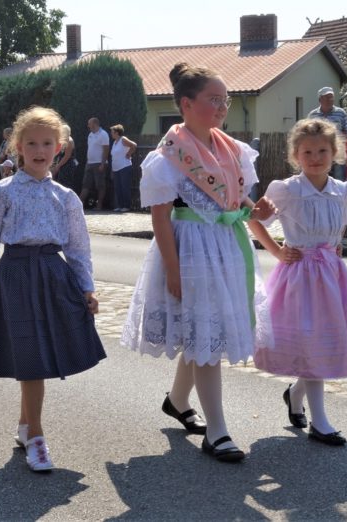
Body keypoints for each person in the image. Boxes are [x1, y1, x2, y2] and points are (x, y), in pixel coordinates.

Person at [120, 63, 275, 462]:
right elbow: (159, 217)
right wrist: (173, 269)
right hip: (190, 250)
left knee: (203, 331)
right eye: (213, 100)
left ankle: (177, 400)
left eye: (225, 100)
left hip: (225, 246)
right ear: (186, 104)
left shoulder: (231, 150)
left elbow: (237, 203)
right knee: (205, 333)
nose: (222, 107)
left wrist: (257, 211)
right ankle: (218, 431)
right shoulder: (168, 155)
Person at [0, 106, 106, 472]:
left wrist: (87, 289)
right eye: (31, 142)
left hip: (53, 277)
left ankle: (25, 427)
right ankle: (37, 436)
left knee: (39, 357)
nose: (39, 149)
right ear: (17, 146)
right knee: (31, 360)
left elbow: (78, 248)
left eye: (47, 142)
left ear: (59, 147)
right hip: (15, 276)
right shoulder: (1, 192)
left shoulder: (67, 197)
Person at [249, 118, 347, 446]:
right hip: (298, 277)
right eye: (307, 151)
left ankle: (296, 394)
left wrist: (334, 256)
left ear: (335, 153)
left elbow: (337, 235)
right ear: (296, 155)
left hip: (331, 277)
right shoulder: (286, 189)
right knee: (310, 343)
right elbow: (255, 221)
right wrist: (277, 251)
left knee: (319, 345)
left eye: (322, 150)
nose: (315, 157)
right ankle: (321, 421)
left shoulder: (343, 191)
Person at [308, 87, 347, 181]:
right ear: (320, 99)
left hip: (338, 153)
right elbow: (308, 136)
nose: (330, 100)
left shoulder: (341, 113)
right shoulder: (312, 115)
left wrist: (334, 139)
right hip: (319, 156)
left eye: (331, 97)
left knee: (339, 182)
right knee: (319, 181)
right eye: (327, 97)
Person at [79, 117, 110, 210]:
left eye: (89, 123)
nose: (88, 125)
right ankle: (79, 204)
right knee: (86, 184)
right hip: (90, 163)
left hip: (99, 163)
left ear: (95, 124)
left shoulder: (103, 134)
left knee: (100, 185)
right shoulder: (90, 134)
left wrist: (102, 163)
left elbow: (106, 150)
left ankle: (99, 205)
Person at [109, 124, 137, 212]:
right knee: (118, 187)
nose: (111, 134)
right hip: (116, 168)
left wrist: (129, 154)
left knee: (125, 187)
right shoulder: (114, 142)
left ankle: (126, 206)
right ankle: (120, 206)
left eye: (112, 132)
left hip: (124, 167)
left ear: (117, 132)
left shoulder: (123, 139)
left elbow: (134, 145)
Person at [51, 124, 76, 189]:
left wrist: (58, 166)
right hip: (62, 164)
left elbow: (67, 156)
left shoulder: (69, 141)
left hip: (67, 166)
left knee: (64, 184)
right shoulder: (63, 141)